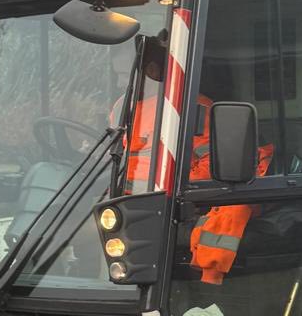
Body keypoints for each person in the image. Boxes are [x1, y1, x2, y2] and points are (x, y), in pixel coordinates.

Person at [111, 35, 273, 284]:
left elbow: (213, 168)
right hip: (126, 201)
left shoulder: (194, 110)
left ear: (152, 72)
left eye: (125, 76)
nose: (122, 83)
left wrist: (172, 182)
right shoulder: (123, 108)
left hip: (167, 204)